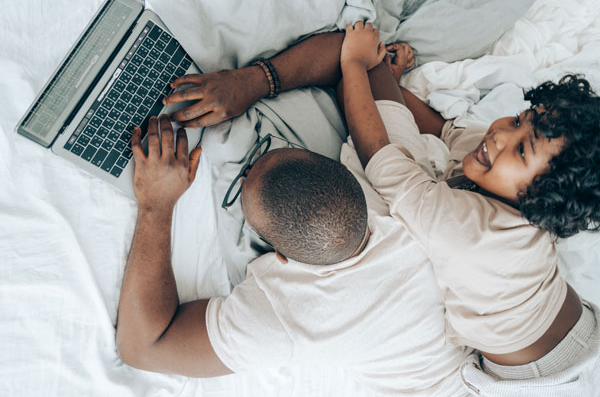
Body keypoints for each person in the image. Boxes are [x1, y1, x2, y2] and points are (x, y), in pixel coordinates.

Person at [115, 115, 468, 395]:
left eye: (244, 180)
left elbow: (143, 347)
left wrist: (156, 205)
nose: (247, 171)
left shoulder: (288, 313)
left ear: (281, 256)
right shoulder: (407, 197)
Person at [336, 22, 600, 394]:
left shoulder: (470, 230)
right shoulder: (498, 162)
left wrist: (353, 64)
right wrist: (391, 83)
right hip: (580, 325)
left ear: (545, 200)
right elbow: (445, 130)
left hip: (541, 379)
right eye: (518, 119)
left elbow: (381, 157)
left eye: (522, 150)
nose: (501, 134)